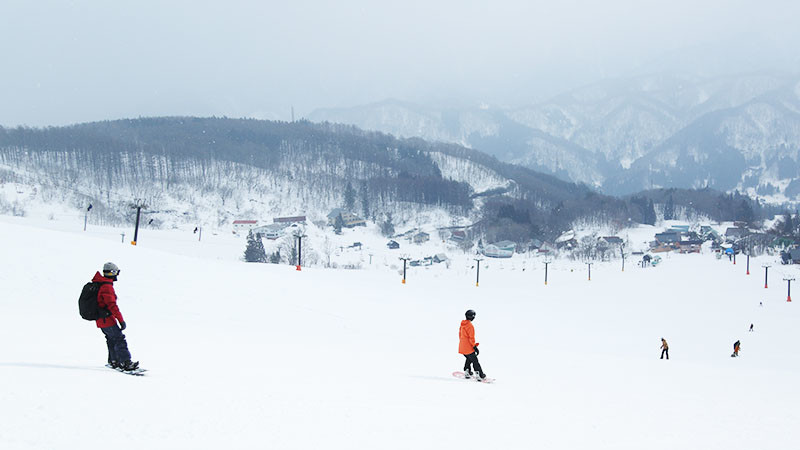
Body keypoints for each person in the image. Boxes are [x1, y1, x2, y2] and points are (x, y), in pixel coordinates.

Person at [92, 262, 138, 371]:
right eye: (117, 272)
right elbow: (112, 306)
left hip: (100, 319)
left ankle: (114, 360)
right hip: (107, 319)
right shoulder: (107, 287)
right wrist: (121, 320)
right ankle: (126, 362)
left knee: (111, 339)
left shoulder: (100, 284)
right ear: (112, 273)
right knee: (119, 339)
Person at [459, 309, 486, 380]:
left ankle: (467, 371)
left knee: (469, 358)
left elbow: (460, 335)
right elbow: (471, 338)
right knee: (475, 360)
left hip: (462, 346)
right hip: (468, 346)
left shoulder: (462, 324)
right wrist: (474, 346)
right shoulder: (470, 326)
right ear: (473, 317)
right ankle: (479, 374)